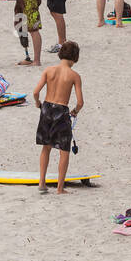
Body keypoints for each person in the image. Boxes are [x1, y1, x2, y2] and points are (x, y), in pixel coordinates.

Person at [34, 40, 82, 194]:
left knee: (46, 147)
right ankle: (60, 188)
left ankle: (42, 183)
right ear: (75, 57)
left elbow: (35, 92)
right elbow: (80, 102)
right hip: (62, 110)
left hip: (47, 107)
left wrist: (38, 103)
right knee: (64, 151)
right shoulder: (74, 75)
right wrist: (74, 111)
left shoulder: (49, 70)